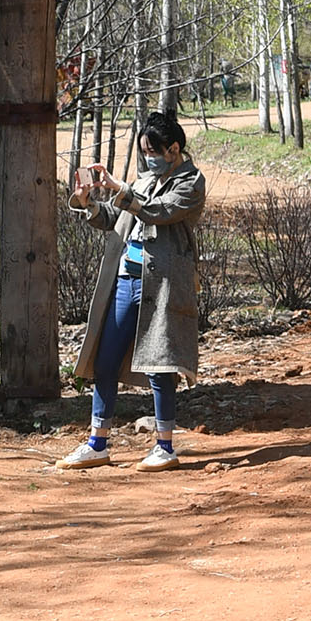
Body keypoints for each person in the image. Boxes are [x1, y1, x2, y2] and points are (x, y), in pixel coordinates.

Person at [60, 111, 207, 473]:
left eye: (152, 150)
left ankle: (165, 446)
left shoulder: (191, 182)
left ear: (173, 148)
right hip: (128, 279)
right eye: (143, 151)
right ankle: (97, 443)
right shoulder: (144, 180)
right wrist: (89, 202)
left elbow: (160, 212)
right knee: (105, 360)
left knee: (161, 364)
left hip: (164, 285)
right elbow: (116, 218)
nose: (147, 157)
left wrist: (121, 189)